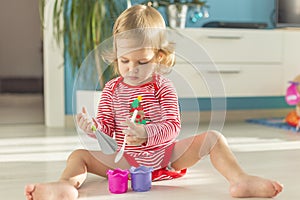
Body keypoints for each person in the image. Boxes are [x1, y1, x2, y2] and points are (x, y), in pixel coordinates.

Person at [25, 4, 283, 200]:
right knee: (78, 155)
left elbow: (172, 126)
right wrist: (92, 127)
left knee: (213, 138)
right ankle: (65, 185)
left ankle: (241, 180)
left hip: (165, 157)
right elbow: (106, 132)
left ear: (159, 56)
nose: (131, 69)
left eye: (142, 61)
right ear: (116, 54)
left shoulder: (162, 86)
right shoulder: (111, 89)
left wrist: (146, 133)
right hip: (122, 160)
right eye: (124, 61)